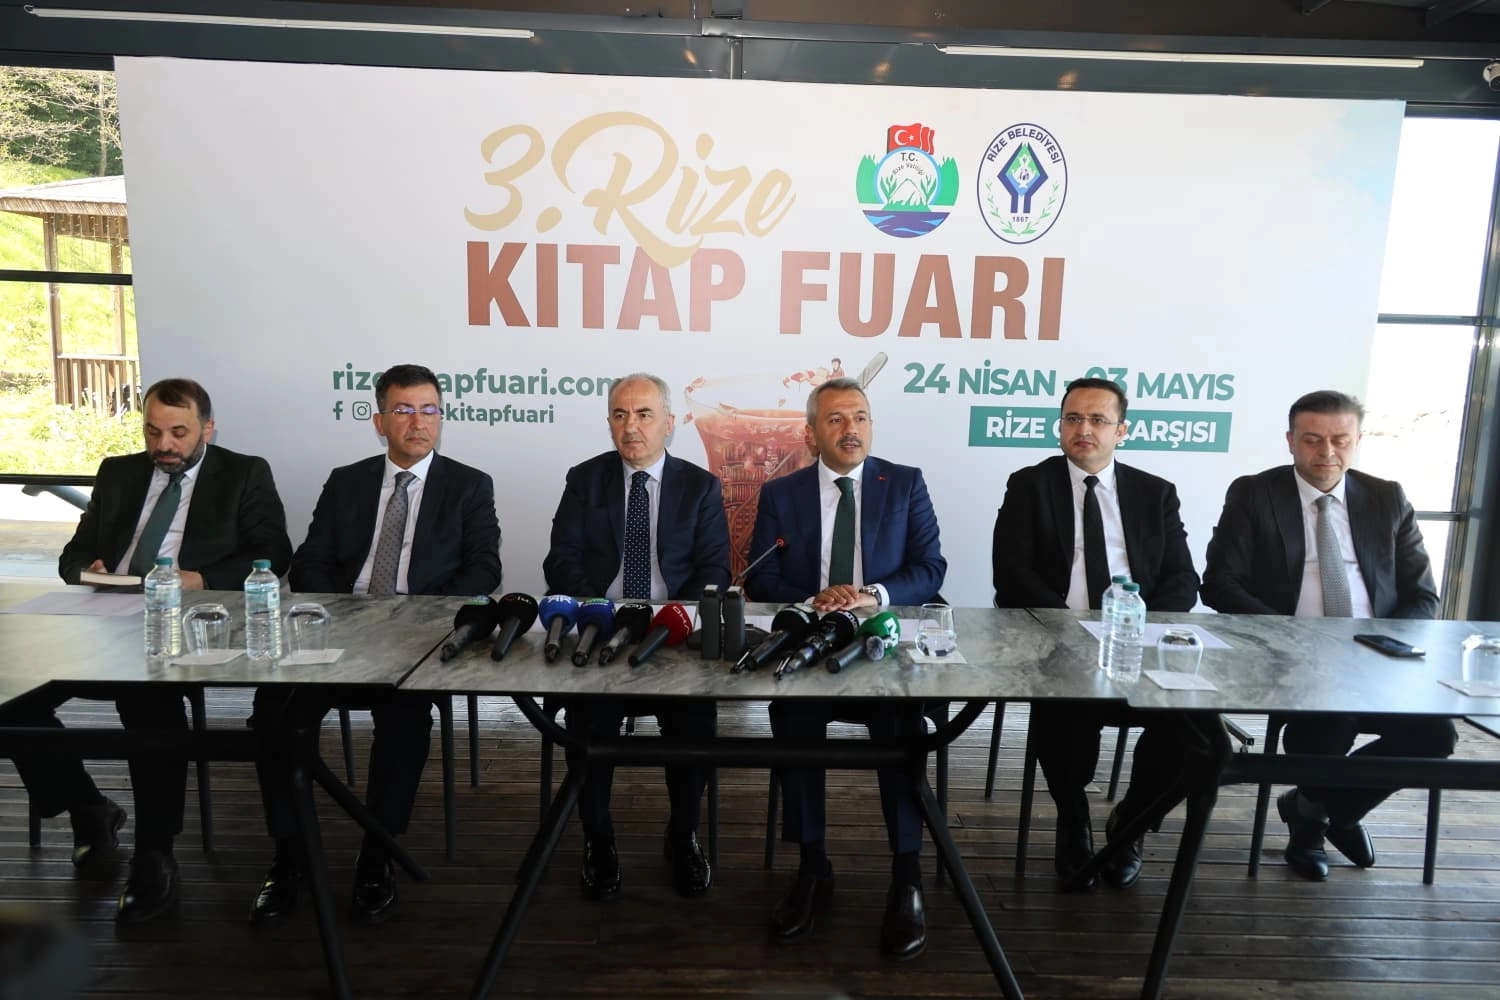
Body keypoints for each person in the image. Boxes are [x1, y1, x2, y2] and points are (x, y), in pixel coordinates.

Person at [248, 364, 502, 923]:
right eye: (404, 410)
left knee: (405, 720)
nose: (418, 422)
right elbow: (310, 560)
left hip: (414, 637)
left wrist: (415, 615)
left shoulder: (468, 485)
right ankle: (289, 853)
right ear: (379, 420)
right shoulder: (347, 482)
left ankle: (378, 850)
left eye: (430, 410)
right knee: (272, 711)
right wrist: (350, 612)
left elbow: (484, 570)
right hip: (339, 632)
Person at [44, 377, 292, 922]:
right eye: (153, 432)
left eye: (179, 433)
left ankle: (154, 853)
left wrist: (201, 579)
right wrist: (89, 570)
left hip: (190, 619)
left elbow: (274, 551)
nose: (165, 445)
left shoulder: (244, 473)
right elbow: (72, 554)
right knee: (14, 695)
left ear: (207, 428)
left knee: (147, 700)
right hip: (107, 616)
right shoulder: (119, 472)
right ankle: (87, 806)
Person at [1200, 389, 1456, 881]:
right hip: (1291, 655)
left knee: (1436, 734)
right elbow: (1220, 584)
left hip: (1374, 655)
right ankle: (1313, 830)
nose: (1327, 452)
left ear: (1358, 440)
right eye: (1313, 439)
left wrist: (1380, 643)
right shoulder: (1255, 493)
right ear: (1290, 440)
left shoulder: (1387, 497)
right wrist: (1295, 637)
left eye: (1340, 440)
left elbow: (1423, 595)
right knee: (1330, 722)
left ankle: (1316, 807)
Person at [747, 376, 946, 960]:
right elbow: (761, 576)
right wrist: (816, 599)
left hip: (881, 641)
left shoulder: (904, 483)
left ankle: (906, 874)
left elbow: (930, 567)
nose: (850, 428)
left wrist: (872, 594)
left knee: (900, 726)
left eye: (859, 416)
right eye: (834, 419)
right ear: (811, 433)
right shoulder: (781, 494)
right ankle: (813, 866)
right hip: (812, 639)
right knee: (792, 719)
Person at [992, 377, 1200, 891]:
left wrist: (1141, 627)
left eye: (1098, 420)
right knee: (1063, 715)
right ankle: (1073, 816)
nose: (1083, 429)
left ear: (1121, 431)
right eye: (1073, 419)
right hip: (1060, 638)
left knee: (1194, 730)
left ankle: (1132, 821)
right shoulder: (1029, 485)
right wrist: (1072, 628)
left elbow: (1182, 577)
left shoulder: (1155, 493)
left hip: (1136, 639)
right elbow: (1011, 575)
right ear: (1060, 426)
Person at [543, 372, 730, 901]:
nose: (631, 427)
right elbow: (561, 561)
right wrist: (602, 612)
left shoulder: (700, 486)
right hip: (602, 631)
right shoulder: (585, 480)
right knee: (588, 722)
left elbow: (715, 569)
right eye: (620, 415)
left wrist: (673, 617)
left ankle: (683, 834)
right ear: (609, 423)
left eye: (644, 415)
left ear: (669, 423)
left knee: (695, 722)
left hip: (673, 635)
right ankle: (598, 838)